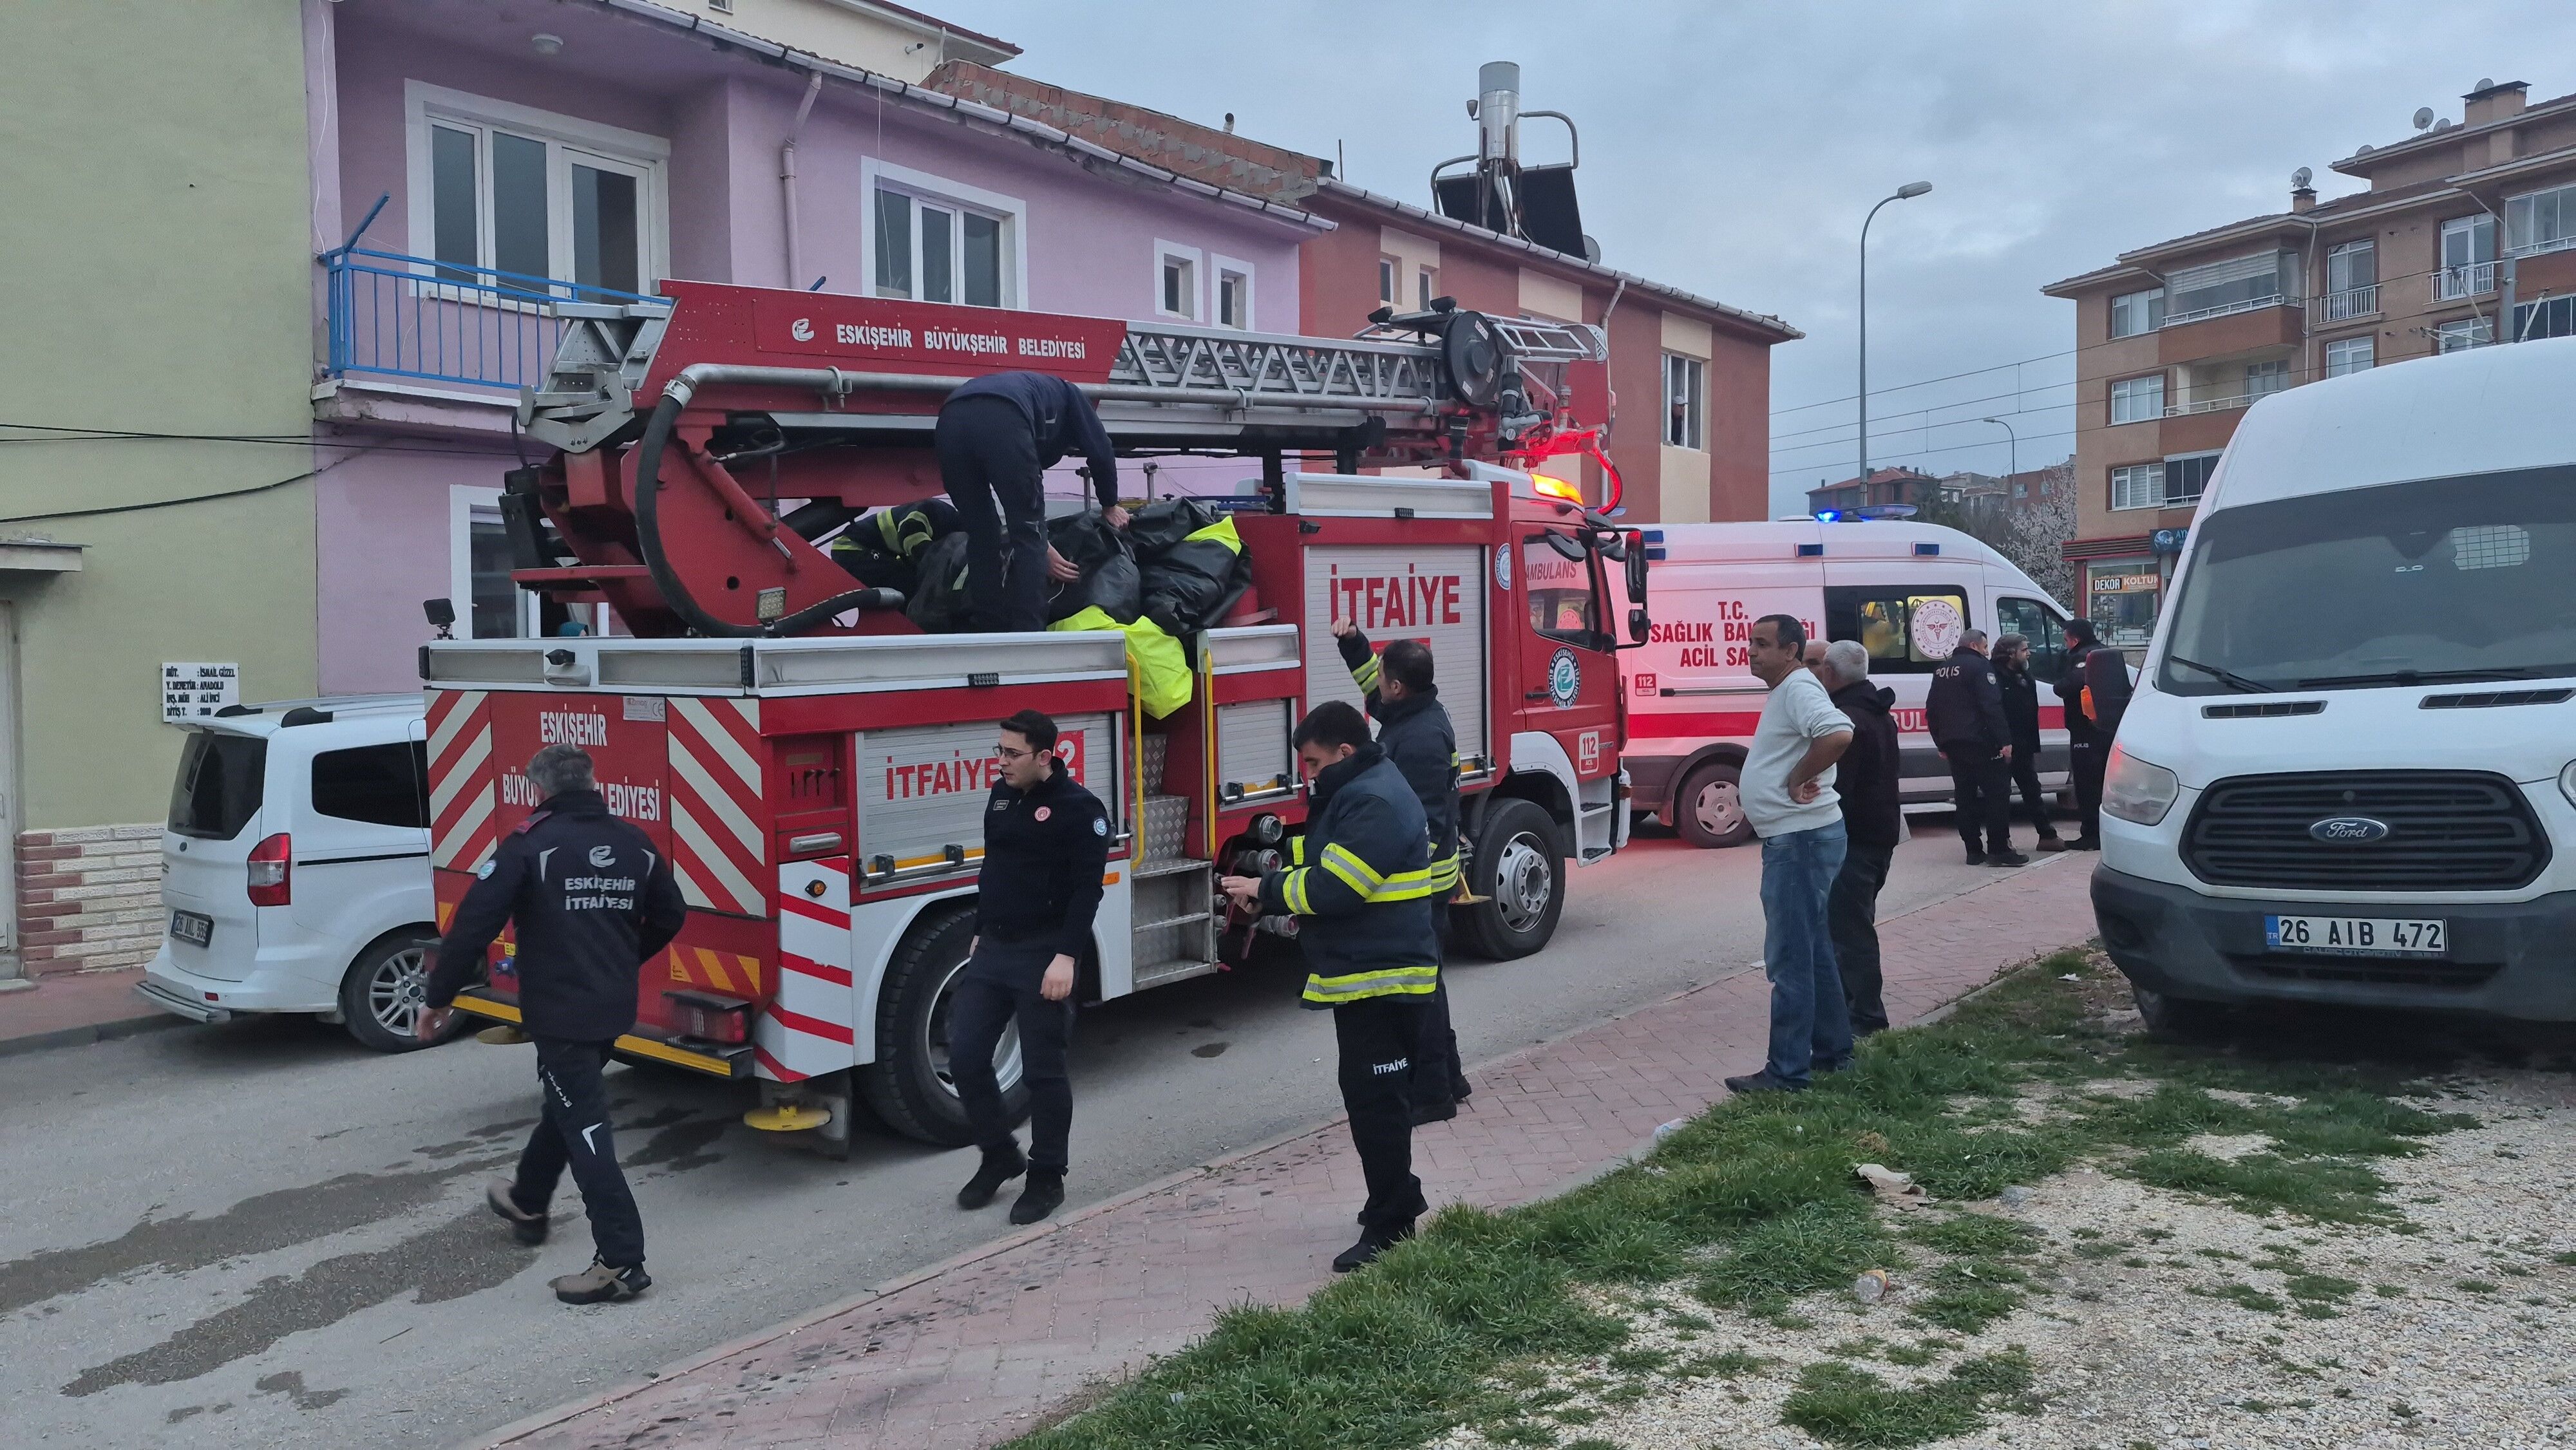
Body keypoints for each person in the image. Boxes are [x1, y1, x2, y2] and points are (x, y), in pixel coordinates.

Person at [420, 744, 686, 1306]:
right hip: (612, 1008)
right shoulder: (633, 842)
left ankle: (621, 1261)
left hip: (562, 1014)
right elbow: (671, 914)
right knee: (568, 1104)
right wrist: (623, 960)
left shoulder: (529, 845)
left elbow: (473, 925)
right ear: (592, 782)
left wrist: (438, 998)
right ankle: (528, 1200)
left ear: (539, 790)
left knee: (587, 1128)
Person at [1220, 702, 1443, 1270]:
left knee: (1378, 1106)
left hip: (1383, 981)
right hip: (1371, 975)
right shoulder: (1366, 788)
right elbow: (1326, 858)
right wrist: (1268, 876)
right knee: (1373, 1101)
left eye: (1315, 764)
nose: (1310, 776)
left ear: (1345, 751)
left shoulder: (1374, 799)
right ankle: (1392, 1199)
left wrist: (1266, 891)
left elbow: (1337, 888)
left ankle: (1392, 1223)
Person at [951, 708, 1110, 1226]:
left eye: (1012, 753)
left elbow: (1087, 892)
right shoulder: (1001, 797)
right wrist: (981, 928)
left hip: (1045, 952)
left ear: (1045, 756)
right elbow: (994, 868)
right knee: (966, 1056)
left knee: (1043, 1072)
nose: (1001, 761)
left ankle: (1047, 1177)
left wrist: (1067, 957)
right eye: (998, 750)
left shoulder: (1080, 810)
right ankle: (999, 1153)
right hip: (995, 948)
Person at [1332, 619, 1470, 1124]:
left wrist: (1390, 876)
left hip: (1422, 885)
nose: (1376, 684)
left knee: (1420, 992)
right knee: (1429, 984)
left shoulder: (1422, 738)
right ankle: (1450, 1077)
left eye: (1382, 676)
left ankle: (1433, 1094)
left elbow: (1426, 822)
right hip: (1424, 881)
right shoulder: (1413, 713)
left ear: (1398, 687)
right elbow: (1373, 688)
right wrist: (1353, 643)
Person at [1722, 615, 1855, 1095]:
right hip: (1803, 837)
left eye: (1763, 644)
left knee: (1790, 959)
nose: (1752, 651)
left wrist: (1798, 776)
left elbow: (1838, 734)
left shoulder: (1797, 688)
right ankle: (1833, 1053)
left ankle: (1787, 1072)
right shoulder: (1789, 688)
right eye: (1750, 643)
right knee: (1813, 951)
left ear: (1792, 650)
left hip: (1800, 841)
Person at [935, 372, 1130, 632]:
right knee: (1029, 534)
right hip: (1006, 416)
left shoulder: (1038, 395)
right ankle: (1030, 635)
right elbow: (1101, 451)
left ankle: (988, 629)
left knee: (981, 535)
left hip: (949, 419)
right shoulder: (1072, 397)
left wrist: (1040, 542)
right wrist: (1110, 505)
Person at [1815, 639, 1900, 1038]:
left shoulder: (1844, 720)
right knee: (1854, 924)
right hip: (1880, 833)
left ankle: (1866, 1017)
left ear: (1830, 673)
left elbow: (1839, 787)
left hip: (1854, 837)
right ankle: (1853, 1009)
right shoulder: (1878, 712)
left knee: (1851, 932)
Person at [1926, 628, 2027, 868]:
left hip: (1954, 744)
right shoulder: (1981, 667)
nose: (1987, 652)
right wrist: (2005, 740)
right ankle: (1999, 850)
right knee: (1997, 796)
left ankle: (1973, 851)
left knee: (1965, 797)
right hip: (1982, 743)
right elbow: (1991, 705)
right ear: (1973, 646)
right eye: (1984, 647)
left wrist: (1940, 742)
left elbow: (1932, 709)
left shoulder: (1942, 670)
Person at [2055, 619, 2128, 851]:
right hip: (2107, 728)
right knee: (2103, 783)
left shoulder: (2084, 657)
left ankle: (2091, 834)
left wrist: (2059, 684)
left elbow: (2071, 684)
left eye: (2066, 640)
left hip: (2085, 730)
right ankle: (2105, 832)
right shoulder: (2106, 653)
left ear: (2075, 640)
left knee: (2087, 785)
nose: (2065, 644)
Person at [1992, 634, 2065, 853]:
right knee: (2000, 795)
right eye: (2024, 650)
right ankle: (2001, 842)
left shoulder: (2022, 673)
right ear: (2010, 654)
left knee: (2032, 790)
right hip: (2004, 745)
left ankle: (2047, 835)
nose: (2029, 653)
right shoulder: (1994, 676)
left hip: (2023, 744)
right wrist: (2003, 741)